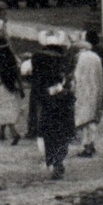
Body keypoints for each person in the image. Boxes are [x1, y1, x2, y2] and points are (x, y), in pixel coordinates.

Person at [33, 32, 75, 179]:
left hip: (47, 102)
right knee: (62, 133)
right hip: (62, 101)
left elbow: (36, 83)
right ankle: (59, 161)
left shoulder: (38, 59)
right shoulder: (64, 60)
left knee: (49, 134)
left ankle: (53, 162)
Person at [72, 32, 103, 158]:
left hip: (82, 91)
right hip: (95, 89)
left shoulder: (79, 58)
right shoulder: (96, 57)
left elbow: (77, 76)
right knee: (92, 118)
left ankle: (87, 146)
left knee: (83, 119)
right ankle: (91, 144)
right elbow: (100, 76)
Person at [0, 33, 24, 145]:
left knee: (1, 109)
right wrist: (21, 88)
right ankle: (1, 132)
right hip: (12, 85)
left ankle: (14, 133)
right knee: (8, 108)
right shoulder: (13, 58)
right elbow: (18, 74)